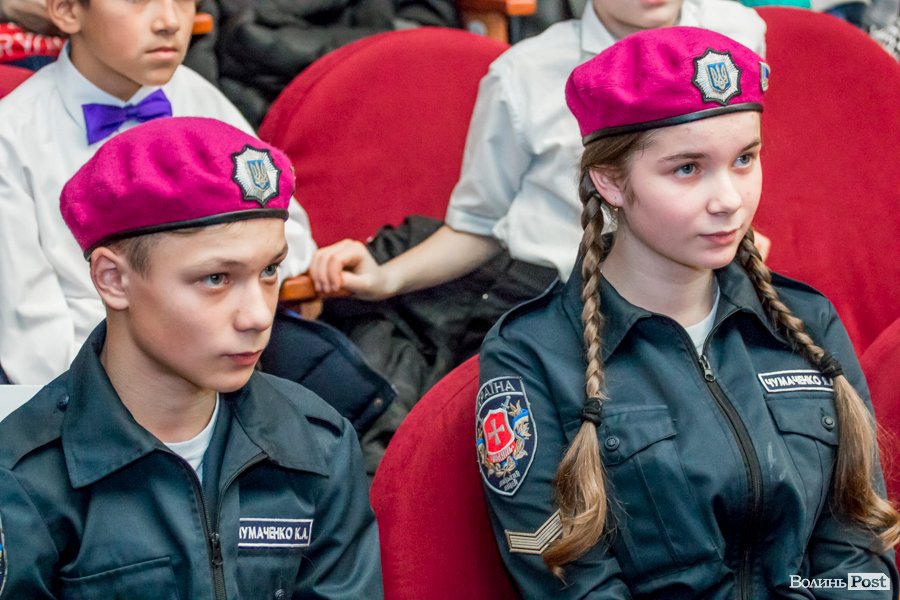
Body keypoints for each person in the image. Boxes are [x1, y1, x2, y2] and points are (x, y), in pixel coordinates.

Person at [475, 27, 899, 598]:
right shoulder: (534, 354)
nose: (729, 200)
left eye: (745, 159)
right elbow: (574, 582)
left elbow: (857, 548)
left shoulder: (804, 322)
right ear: (610, 181)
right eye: (687, 169)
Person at [310, 0, 768, 473]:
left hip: (697, 293)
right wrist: (386, 277)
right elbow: (479, 225)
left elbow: (730, 157)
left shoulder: (736, 30)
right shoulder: (525, 72)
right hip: (562, 305)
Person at [0, 117, 382, 599]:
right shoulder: (23, 478)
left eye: (269, 271)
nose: (258, 315)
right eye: (216, 279)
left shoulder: (317, 444)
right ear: (113, 280)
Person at [0, 0, 316, 385]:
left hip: (223, 364)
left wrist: (224, 280)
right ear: (67, 10)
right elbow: (32, 341)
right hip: (88, 380)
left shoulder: (197, 97)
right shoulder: (12, 137)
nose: (170, 21)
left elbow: (290, 234)